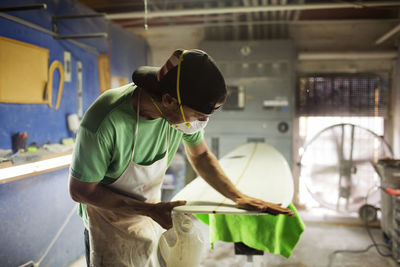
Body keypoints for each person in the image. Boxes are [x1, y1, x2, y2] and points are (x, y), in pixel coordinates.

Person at [68, 49, 294, 267]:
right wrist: (149, 210)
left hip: (150, 212)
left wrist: (237, 196)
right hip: (108, 222)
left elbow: (202, 155)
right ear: (168, 99)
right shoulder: (104, 122)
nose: (201, 124)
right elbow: (81, 191)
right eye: (199, 116)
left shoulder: (180, 113)